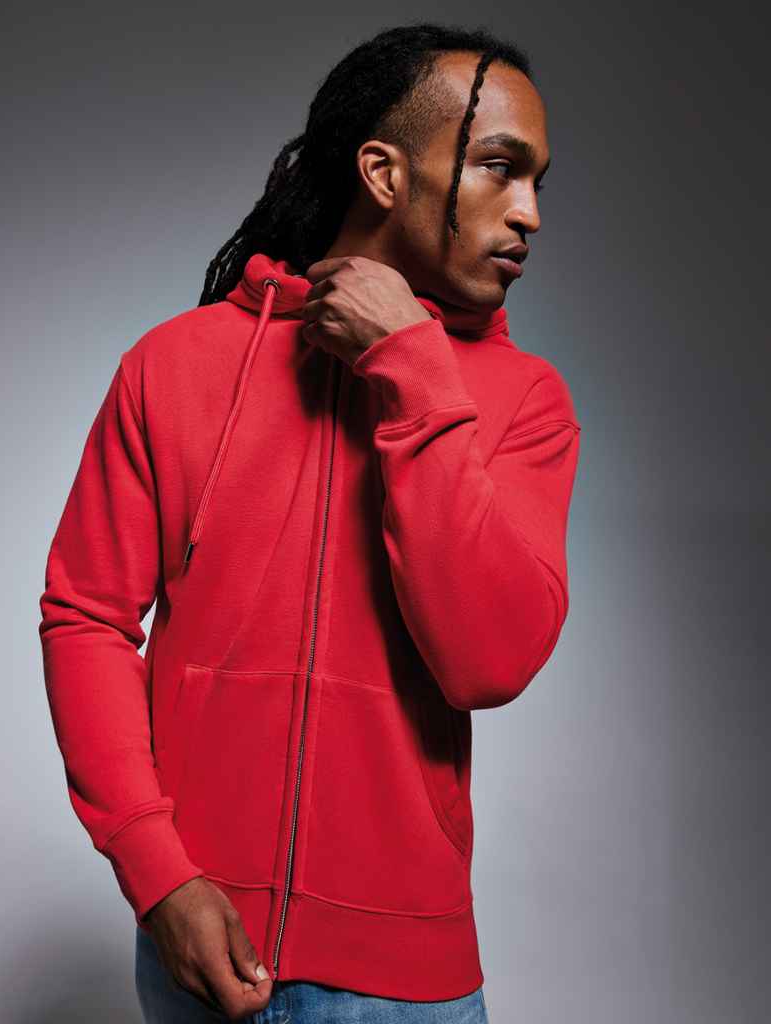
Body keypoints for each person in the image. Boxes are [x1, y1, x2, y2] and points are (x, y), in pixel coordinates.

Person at [38, 20, 581, 1024]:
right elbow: (86, 617)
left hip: (405, 990)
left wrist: (413, 372)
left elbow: (488, 660)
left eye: (538, 182)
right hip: (200, 954)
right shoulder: (174, 365)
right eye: (501, 169)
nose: (530, 213)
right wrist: (158, 875)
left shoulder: (524, 401)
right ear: (385, 173)